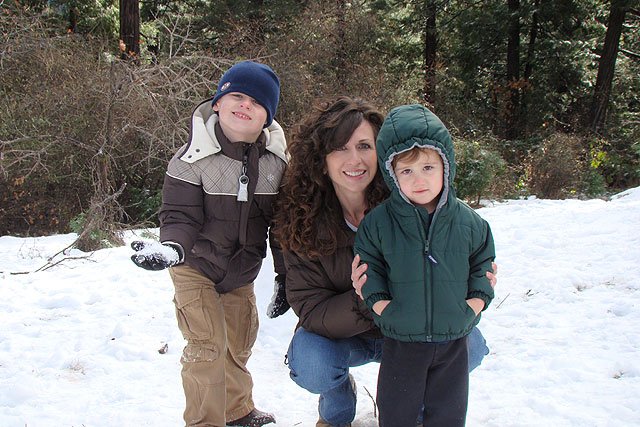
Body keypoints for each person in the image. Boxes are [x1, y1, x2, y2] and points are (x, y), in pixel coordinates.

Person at [272, 96, 496, 427]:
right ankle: (337, 403)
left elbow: (461, 254)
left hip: (413, 335)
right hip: (347, 335)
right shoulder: (301, 220)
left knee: (470, 345)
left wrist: (473, 286)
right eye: (340, 148)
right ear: (321, 159)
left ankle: (420, 404)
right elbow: (310, 307)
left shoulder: (413, 196)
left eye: (365, 146)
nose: (355, 159)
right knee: (312, 361)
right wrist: (368, 300)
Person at [130, 60, 287, 427]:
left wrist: (285, 277)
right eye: (237, 96)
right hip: (195, 265)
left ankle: (237, 411)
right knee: (207, 346)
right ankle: (204, 421)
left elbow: (282, 227)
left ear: (267, 117)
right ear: (217, 103)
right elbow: (179, 215)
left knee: (237, 344)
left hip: (241, 271)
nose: (245, 104)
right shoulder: (191, 159)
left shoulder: (278, 165)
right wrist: (172, 248)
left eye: (256, 102)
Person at [353, 104, 496, 427]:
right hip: (402, 341)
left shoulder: (470, 223)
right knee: (397, 412)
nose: (419, 179)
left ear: (446, 165)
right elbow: (369, 266)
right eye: (406, 171)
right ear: (391, 174)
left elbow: (483, 263)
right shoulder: (378, 224)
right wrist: (382, 304)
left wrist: (474, 303)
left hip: (453, 340)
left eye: (428, 167)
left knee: (448, 413)